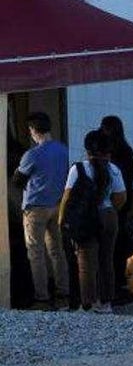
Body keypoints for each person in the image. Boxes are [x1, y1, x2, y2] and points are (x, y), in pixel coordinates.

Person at [59, 130, 127, 313]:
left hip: (85, 218)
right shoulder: (114, 169)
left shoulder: (78, 168)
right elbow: (121, 197)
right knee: (107, 260)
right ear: (107, 150)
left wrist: (62, 221)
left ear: (87, 149)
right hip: (109, 216)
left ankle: (87, 304)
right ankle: (106, 304)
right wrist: (109, 209)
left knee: (86, 261)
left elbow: (67, 197)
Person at [13, 112, 70, 310]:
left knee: (35, 253)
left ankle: (42, 297)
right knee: (57, 251)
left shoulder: (32, 154)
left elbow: (17, 180)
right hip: (57, 206)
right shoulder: (64, 150)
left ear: (33, 131)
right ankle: (63, 293)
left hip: (35, 208)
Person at [99, 115, 133, 293]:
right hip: (123, 201)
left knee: (106, 247)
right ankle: (121, 280)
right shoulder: (127, 150)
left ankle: (109, 284)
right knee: (119, 243)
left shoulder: (108, 154)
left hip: (107, 203)